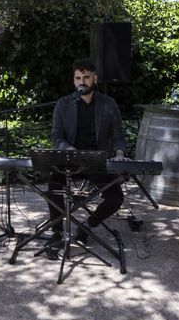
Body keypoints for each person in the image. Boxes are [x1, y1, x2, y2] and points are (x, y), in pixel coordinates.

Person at [48, 58, 126, 247]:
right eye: (77, 78)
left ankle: (87, 226)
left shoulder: (108, 104)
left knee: (116, 198)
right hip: (70, 159)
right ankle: (57, 232)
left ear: (95, 78)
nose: (81, 82)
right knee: (53, 185)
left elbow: (118, 134)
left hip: (97, 161)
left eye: (86, 77)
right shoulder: (63, 104)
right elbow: (56, 136)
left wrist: (120, 154)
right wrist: (69, 149)